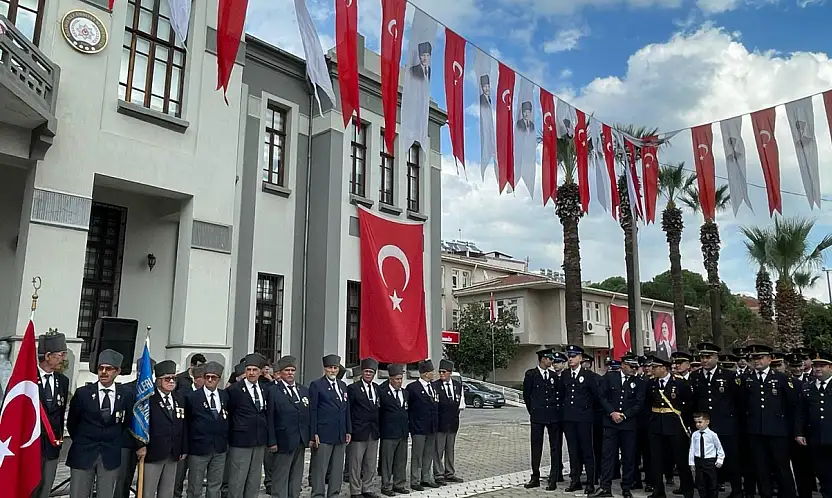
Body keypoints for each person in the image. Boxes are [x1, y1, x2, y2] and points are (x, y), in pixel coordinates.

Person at [67, 349, 132, 498]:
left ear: (117, 371)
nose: (103, 372)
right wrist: (84, 440)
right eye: (100, 368)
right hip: (84, 452)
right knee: (78, 494)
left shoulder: (126, 394)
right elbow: (72, 422)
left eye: (108, 369)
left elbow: (126, 422)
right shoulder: (83, 393)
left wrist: (113, 439)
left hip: (110, 454)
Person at [743, 344, 798, 498]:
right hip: (755, 431)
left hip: (777, 431)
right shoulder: (747, 379)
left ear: (769, 359)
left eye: (760, 357)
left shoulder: (781, 378)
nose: (757, 361)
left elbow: (791, 405)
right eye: (754, 358)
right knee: (761, 468)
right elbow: (743, 404)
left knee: (782, 467)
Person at [692, 342, 742, 498]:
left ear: (716, 357)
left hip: (726, 425)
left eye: (708, 357)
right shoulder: (696, 376)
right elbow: (694, 401)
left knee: (731, 460)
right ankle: (710, 491)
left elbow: (738, 401)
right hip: (706, 427)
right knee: (707, 462)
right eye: (702, 357)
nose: (704, 360)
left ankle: (737, 491)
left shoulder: (729, 376)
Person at [594, 354, 645, 498]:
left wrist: (625, 415)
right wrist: (612, 412)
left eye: (636, 367)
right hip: (611, 423)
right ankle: (605, 487)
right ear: (623, 365)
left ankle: (627, 487)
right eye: (631, 366)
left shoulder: (639, 382)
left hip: (628, 424)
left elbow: (639, 403)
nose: (634, 370)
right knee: (608, 456)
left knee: (628, 457)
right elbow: (602, 397)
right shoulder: (610, 377)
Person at [137, 360, 188, 498]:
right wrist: (141, 445)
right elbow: (140, 423)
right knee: (148, 491)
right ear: (158, 380)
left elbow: (183, 425)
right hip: (153, 452)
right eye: (167, 378)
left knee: (167, 492)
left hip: (173, 452)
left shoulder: (179, 398)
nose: (171, 381)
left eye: (173, 378)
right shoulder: (149, 399)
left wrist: (183, 448)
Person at [647, 355, 694, 498]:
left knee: (681, 460)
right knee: (656, 460)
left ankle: (687, 490)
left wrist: (685, 423)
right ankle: (658, 491)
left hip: (675, 426)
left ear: (664, 368)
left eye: (655, 367)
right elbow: (647, 403)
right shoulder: (651, 383)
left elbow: (689, 404)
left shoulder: (679, 383)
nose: (652, 370)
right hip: (656, 426)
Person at [226, 353, 270, 498]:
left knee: (254, 478)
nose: (251, 373)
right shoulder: (235, 390)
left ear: (260, 372)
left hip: (259, 440)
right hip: (240, 440)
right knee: (238, 478)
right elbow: (229, 413)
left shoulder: (264, 389)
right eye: (249, 369)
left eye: (254, 370)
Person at [267, 356, 311, 498]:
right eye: (287, 370)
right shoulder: (273, 391)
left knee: (296, 475)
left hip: (300, 439)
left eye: (293, 370)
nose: (290, 373)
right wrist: (272, 441)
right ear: (280, 373)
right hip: (283, 440)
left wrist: (309, 436)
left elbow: (307, 415)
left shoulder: (303, 390)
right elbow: (270, 417)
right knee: (281, 476)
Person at [33, 331, 70, 498]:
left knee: (46, 488)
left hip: (52, 445)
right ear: (48, 356)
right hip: (31, 445)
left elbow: (60, 413)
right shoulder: (27, 378)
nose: (63, 359)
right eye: (61, 354)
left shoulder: (62, 381)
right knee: (30, 489)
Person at [185, 361, 229, 498]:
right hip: (198, 448)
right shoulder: (192, 397)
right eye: (207, 377)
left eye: (214, 377)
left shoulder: (224, 396)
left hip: (219, 448)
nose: (210, 380)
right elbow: (187, 423)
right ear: (203, 378)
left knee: (215, 486)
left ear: (219, 379)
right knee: (195, 486)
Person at [309, 354, 351, 498]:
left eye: (335, 368)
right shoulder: (317, 385)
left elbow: (346, 410)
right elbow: (313, 410)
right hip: (324, 433)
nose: (332, 370)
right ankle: (318, 494)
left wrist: (348, 430)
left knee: (337, 468)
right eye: (330, 368)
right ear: (325, 369)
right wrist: (313, 432)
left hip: (340, 433)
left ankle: (334, 493)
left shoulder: (342, 385)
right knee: (320, 467)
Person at [563, 344, 602, 494]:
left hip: (584, 418)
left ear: (580, 358)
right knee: (573, 451)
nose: (570, 359)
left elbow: (597, 396)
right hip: (569, 418)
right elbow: (563, 395)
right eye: (569, 356)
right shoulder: (565, 375)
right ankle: (575, 480)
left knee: (587, 450)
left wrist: (588, 410)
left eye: (573, 356)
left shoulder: (588, 376)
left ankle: (591, 482)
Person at [116, 358, 156, 498]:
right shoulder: (126, 389)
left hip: (152, 444)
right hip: (128, 443)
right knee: (123, 481)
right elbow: (125, 419)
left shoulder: (155, 391)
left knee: (147, 483)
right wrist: (139, 443)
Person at [522, 348, 561, 490]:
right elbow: (527, 395)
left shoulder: (553, 375)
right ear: (543, 359)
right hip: (538, 415)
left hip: (552, 415)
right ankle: (535, 476)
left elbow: (558, 393)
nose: (551, 362)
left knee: (555, 447)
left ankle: (554, 477)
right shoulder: (531, 374)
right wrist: (532, 411)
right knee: (536, 446)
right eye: (549, 359)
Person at [795, 351, 832, 498]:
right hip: (815, 438)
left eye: (822, 366)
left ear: (830, 367)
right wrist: (798, 432)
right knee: (822, 473)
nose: (818, 369)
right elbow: (801, 413)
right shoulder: (807, 388)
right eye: (816, 365)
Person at [345, 358, 381, 498]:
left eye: (371, 372)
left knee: (370, 463)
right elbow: (348, 410)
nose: (368, 374)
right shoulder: (353, 389)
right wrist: (349, 429)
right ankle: (355, 490)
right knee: (355, 463)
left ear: (374, 374)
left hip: (373, 431)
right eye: (366, 371)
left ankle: (368, 488)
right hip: (358, 431)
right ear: (361, 372)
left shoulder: (377, 389)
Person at [406, 359, 440, 491]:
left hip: (431, 427)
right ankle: (415, 480)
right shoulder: (412, 388)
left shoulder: (433, 387)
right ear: (426, 373)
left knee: (428, 454)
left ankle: (425, 478)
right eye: (432, 372)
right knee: (417, 455)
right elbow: (408, 408)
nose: (434, 374)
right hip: (418, 428)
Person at [378, 364, 410, 497]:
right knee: (387, 461)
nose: (399, 381)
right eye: (396, 379)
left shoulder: (405, 393)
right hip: (388, 433)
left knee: (401, 460)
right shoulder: (383, 393)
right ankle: (386, 485)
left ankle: (399, 484)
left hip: (402, 433)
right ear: (390, 379)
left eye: (400, 379)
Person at [433, 359, 464, 485]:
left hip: (453, 423)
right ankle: (438, 474)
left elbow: (460, 405)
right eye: (440, 372)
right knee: (438, 450)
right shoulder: (435, 385)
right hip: (440, 423)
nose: (441, 374)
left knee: (450, 449)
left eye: (444, 372)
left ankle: (450, 473)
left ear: (450, 373)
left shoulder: (457, 385)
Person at [689, 412, 725, 498]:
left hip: (709, 461)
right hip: (699, 461)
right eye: (696, 422)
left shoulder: (712, 435)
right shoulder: (695, 435)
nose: (698, 424)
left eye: (700, 422)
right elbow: (692, 449)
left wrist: (720, 459)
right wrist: (691, 462)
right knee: (700, 484)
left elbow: (719, 448)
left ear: (707, 422)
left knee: (712, 483)